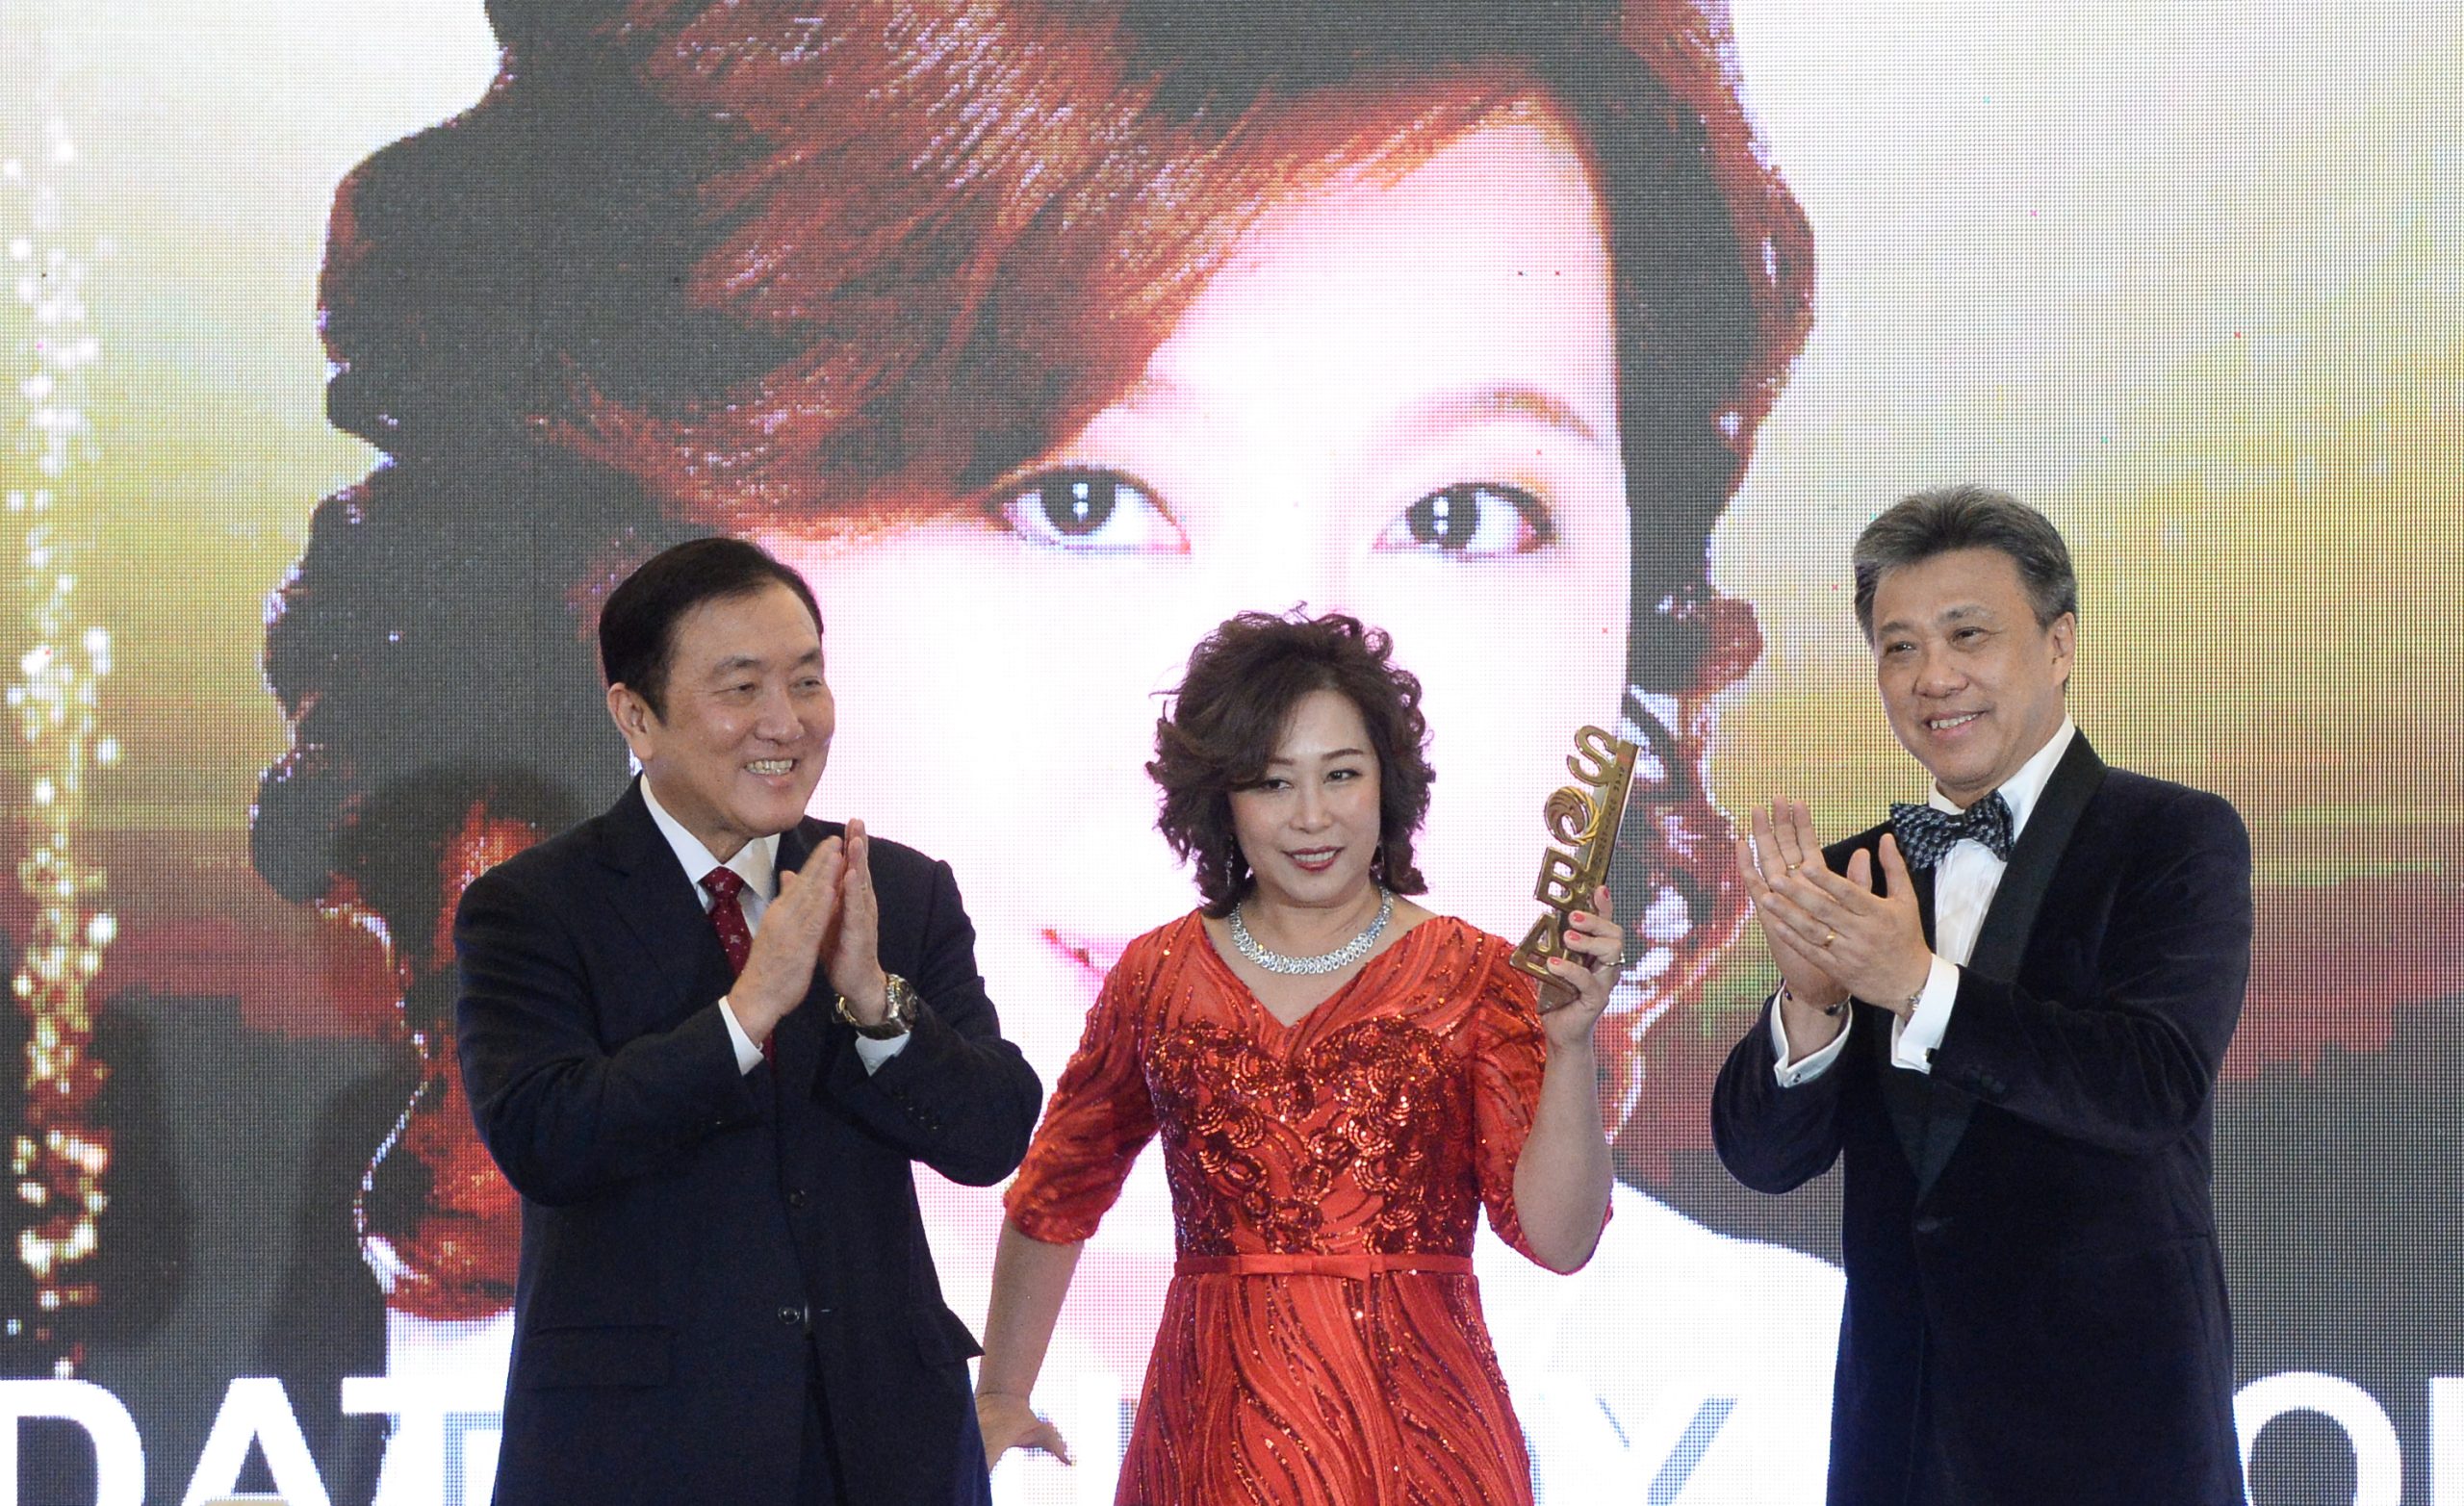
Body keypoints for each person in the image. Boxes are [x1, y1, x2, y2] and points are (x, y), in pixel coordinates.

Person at [256, 3, 1837, 1497]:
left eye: (1465, 517)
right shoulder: (341, 1430)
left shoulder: (1821, 1423)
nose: (1291, 766)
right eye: (1081, 504)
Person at [974, 611, 1622, 1504]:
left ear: (1389, 782)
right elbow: (1057, 1189)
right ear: (1220, 797)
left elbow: (1561, 1238)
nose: (1312, 816)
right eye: (1273, 782)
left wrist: (1572, 1045)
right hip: (1209, 1447)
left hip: (1426, 1454)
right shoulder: (1158, 976)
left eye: (1342, 774)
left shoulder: (1475, 974)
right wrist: (1001, 1392)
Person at [451, 536, 1042, 1506]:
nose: (786, 721)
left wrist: (873, 1001)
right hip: (640, 1452)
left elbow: (992, 1134)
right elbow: (545, 1136)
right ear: (637, 716)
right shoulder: (533, 906)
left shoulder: (892, 887)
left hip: (882, 1446)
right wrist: (744, 1012)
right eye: (741, 688)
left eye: (806, 680)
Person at [1711, 484, 2252, 1505]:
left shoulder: (2173, 837)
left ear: (2059, 642)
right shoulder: (1856, 876)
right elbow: (1763, 1159)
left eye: (1968, 635)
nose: (1934, 677)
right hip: (1899, 1445)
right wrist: (1814, 1001)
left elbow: (2150, 1085)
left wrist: (1918, 985)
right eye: (1899, 647)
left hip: (2114, 1443)